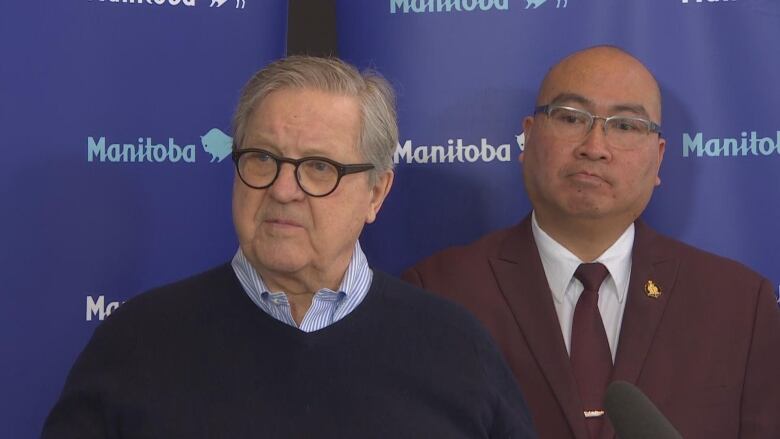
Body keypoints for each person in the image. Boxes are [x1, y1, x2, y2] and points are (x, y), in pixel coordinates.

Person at [42, 56, 536, 439]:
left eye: (320, 167)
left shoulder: (455, 347)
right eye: (262, 159)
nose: (283, 189)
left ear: (377, 193)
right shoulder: (135, 341)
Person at [403, 46, 780, 439]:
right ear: (528, 138)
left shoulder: (738, 304)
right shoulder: (439, 291)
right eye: (570, 118)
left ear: (659, 159)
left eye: (625, 126)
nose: (595, 147)